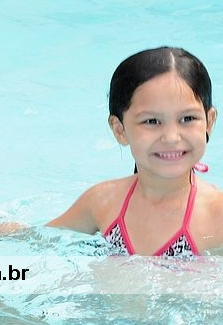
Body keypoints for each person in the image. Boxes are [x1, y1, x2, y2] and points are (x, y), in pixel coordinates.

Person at [47, 47, 223, 256]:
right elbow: (40, 238)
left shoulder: (217, 216)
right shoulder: (103, 201)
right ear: (120, 130)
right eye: (152, 121)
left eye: (187, 119)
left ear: (209, 122)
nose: (171, 137)